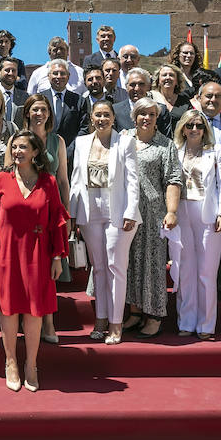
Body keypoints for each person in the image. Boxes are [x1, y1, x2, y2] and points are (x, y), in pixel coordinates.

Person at [0, 130, 69, 392]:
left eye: (23, 147)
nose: (17, 152)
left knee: (34, 309)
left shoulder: (48, 182)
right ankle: (10, 361)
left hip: (38, 255)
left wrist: (57, 257)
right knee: (8, 308)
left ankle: (31, 363)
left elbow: (55, 222)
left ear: (36, 152)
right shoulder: (2, 180)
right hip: (5, 254)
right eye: (14, 147)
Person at [69, 99, 141, 345]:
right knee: (98, 268)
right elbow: (76, 178)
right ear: (91, 117)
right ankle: (100, 320)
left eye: (106, 114)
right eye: (97, 114)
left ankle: (116, 323)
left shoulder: (126, 142)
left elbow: (132, 180)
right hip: (90, 211)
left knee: (115, 267)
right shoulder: (81, 143)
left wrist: (131, 211)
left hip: (118, 211)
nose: (102, 119)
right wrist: (72, 214)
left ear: (113, 117)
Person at [122, 98, 183, 339]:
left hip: (153, 212)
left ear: (158, 118)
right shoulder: (124, 139)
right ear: (134, 117)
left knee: (153, 264)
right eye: (142, 114)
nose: (147, 118)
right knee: (131, 262)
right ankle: (135, 311)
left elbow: (173, 179)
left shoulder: (165, 145)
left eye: (152, 114)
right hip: (126, 211)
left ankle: (155, 315)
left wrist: (171, 211)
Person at [173, 108, 221, 338]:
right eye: (190, 125)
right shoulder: (175, 150)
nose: (194, 129)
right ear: (183, 129)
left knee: (206, 272)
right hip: (182, 212)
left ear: (205, 129)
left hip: (208, 213)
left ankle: (206, 324)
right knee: (185, 270)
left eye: (199, 125)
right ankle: (186, 322)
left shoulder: (217, 151)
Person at [22, 93, 74, 343]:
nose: (39, 114)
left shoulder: (58, 141)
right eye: (34, 109)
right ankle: (27, 320)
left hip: (51, 211)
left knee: (47, 269)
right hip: (25, 212)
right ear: (27, 113)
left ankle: (48, 323)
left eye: (43, 109)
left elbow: (63, 179)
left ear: (49, 114)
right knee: (26, 269)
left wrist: (67, 211)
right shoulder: (18, 139)